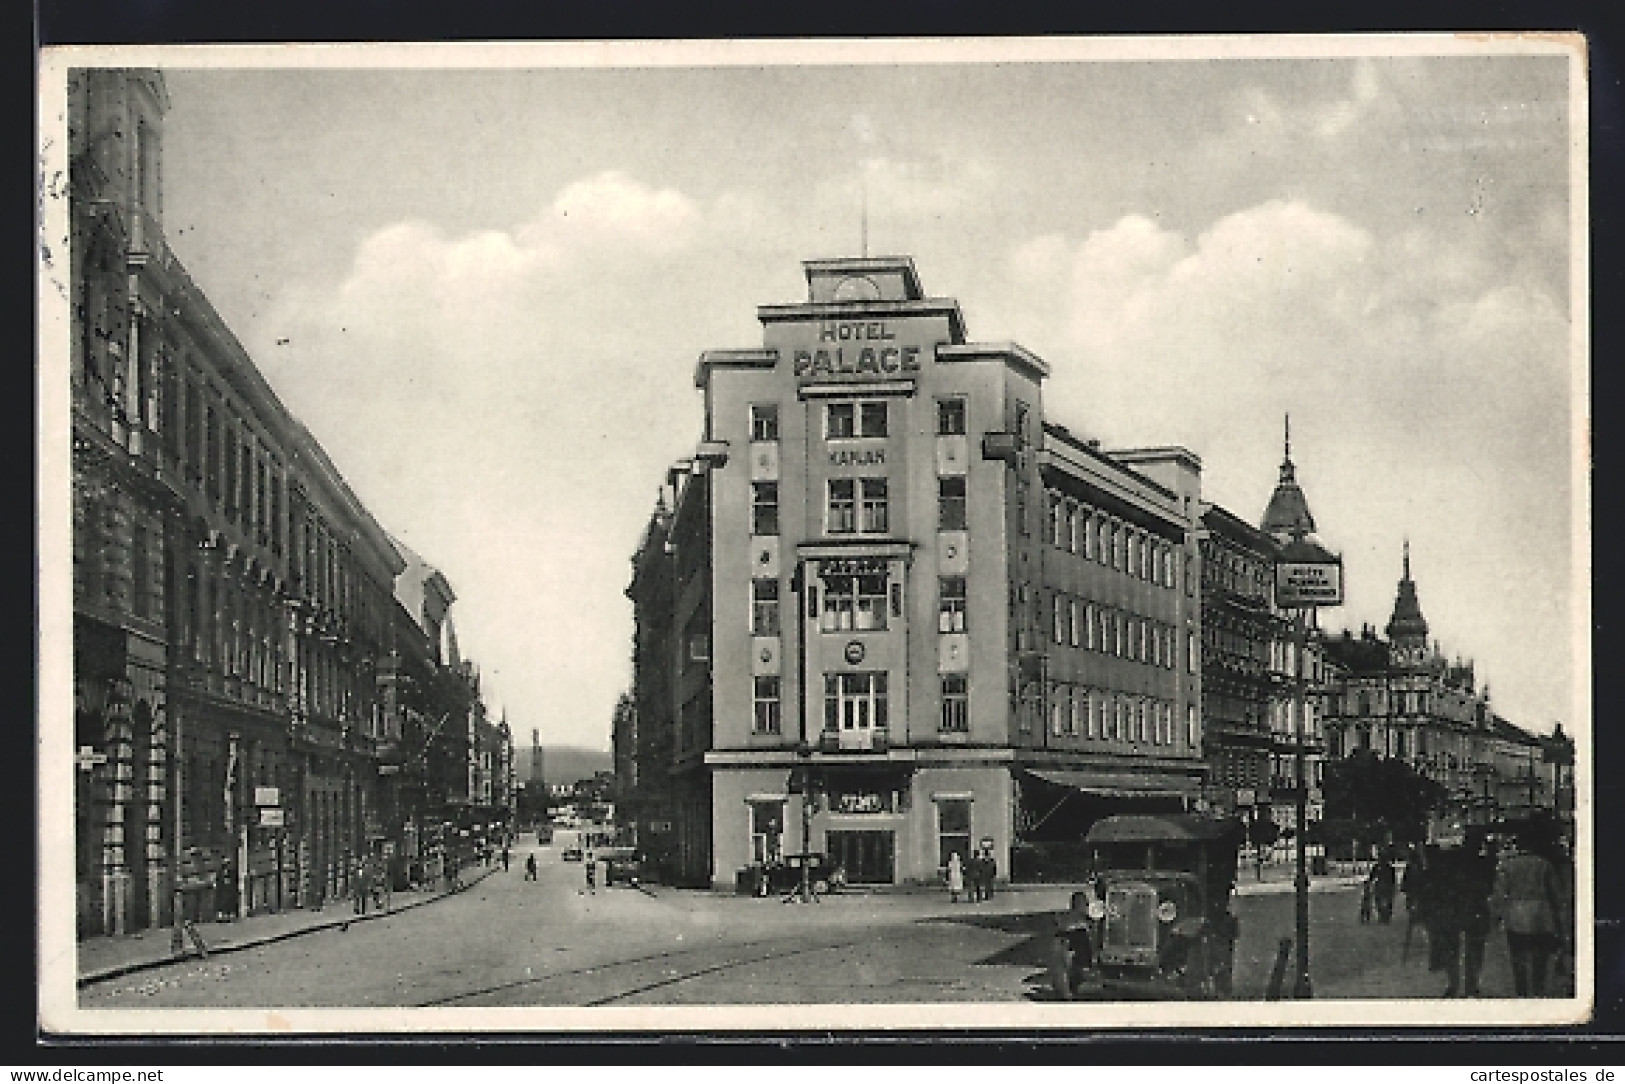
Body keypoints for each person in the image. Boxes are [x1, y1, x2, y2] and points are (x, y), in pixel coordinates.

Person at [1494, 831, 1565, 996]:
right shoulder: (1544, 864)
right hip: (1541, 914)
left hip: (1516, 914)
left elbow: (1500, 892)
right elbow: (1556, 893)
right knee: (1540, 955)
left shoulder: (1507, 865)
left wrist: (1497, 913)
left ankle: (1522, 991)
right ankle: (1538, 989)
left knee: (1518, 955)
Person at [1370, 847, 1398, 924]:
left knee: (1380, 900)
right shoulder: (1389, 868)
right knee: (1386, 900)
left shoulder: (1378, 867)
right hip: (1385, 885)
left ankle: (1383, 915)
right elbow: (1393, 879)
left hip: (1381, 885)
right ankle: (1385, 916)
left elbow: (1372, 877)